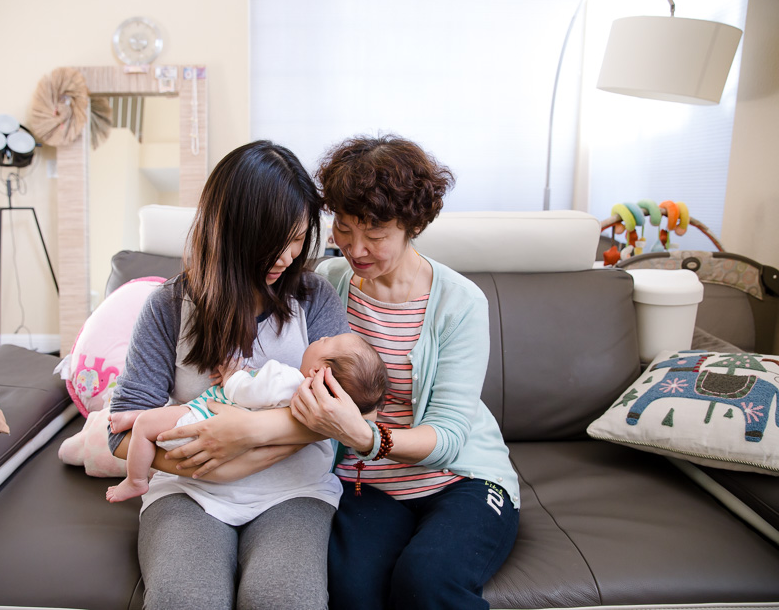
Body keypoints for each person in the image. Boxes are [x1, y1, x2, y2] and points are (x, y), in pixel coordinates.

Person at [107, 140, 353, 610]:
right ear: (229, 232)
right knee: (185, 600)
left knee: (282, 599)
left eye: (298, 238)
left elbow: (342, 413)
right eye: (272, 240)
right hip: (188, 491)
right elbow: (120, 431)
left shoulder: (314, 297)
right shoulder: (169, 306)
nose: (287, 256)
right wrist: (208, 464)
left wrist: (245, 440)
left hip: (294, 490)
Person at [289, 134, 521, 610]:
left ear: (412, 226)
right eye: (344, 228)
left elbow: (449, 437)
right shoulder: (327, 285)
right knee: (352, 594)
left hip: (461, 480)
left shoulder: (460, 302)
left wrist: (366, 436)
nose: (355, 249)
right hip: (365, 485)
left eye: (375, 236)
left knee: (427, 582)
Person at [106, 331, 387, 509]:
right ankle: (137, 417)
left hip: (203, 423)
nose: (322, 336)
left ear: (318, 370)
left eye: (327, 341)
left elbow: (244, 391)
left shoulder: (289, 379)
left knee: (147, 426)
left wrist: (232, 375)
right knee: (164, 417)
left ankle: (136, 479)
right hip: (220, 440)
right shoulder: (311, 405)